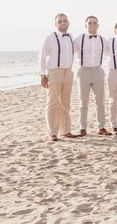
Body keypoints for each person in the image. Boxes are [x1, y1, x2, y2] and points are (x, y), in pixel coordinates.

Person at [38, 13, 77, 141]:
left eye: (65, 21)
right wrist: (42, 75)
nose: (62, 23)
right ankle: (52, 132)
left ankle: (66, 130)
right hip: (54, 72)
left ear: (68, 23)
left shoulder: (71, 36)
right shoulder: (50, 37)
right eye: (59, 21)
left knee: (65, 102)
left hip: (68, 72)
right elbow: (42, 56)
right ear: (56, 24)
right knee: (52, 103)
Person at [74, 16, 110, 136]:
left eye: (95, 23)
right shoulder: (79, 38)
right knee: (83, 102)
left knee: (100, 101)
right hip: (83, 71)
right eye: (90, 23)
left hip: (98, 71)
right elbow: (68, 51)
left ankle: (101, 127)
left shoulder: (102, 40)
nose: (92, 25)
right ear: (86, 25)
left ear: (98, 25)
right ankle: (82, 128)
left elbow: (111, 53)